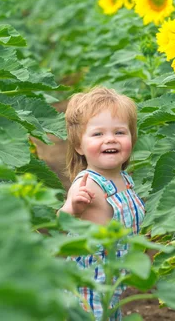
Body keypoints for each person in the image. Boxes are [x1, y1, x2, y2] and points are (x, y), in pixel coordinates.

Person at [58, 86, 146, 321]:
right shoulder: (87, 183)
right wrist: (73, 207)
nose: (110, 139)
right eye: (98, 134)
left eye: (120, 132)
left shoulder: (125, 179)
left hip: (114, 277)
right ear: (79, 146)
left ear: (131, 138)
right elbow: (62, 220)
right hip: (90, 281)